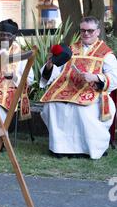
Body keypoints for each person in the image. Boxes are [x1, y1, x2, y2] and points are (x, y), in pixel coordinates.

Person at [40, 16, 117, 159]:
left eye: (90, 31)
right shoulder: (70, 50)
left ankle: (87, 149)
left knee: (84, 109)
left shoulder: (106, 54)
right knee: (53, 105)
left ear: (98, 31)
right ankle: (60, 148)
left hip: (93, 91)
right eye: (83, 31)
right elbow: (57, 71)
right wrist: (50, 65)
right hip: (68, 89)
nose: (86, 34)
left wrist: (96, 77)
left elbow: (114, 79)